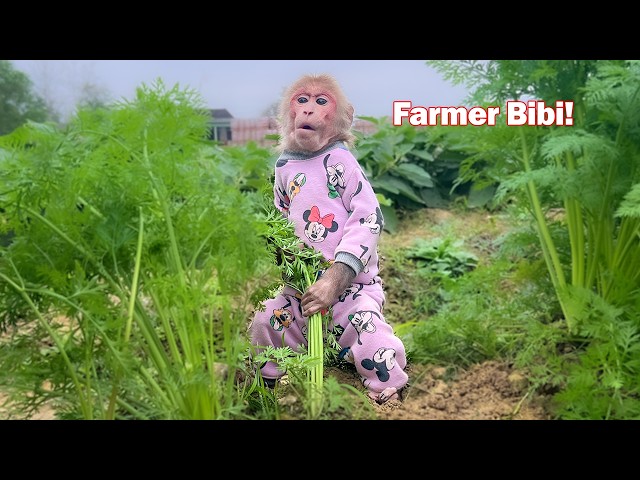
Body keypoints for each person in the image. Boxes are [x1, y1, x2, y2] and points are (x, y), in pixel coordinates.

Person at [249, 73, 408, 404]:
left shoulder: (341, 162)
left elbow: (368, 218)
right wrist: (283, 257)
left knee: (372, 341)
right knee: (267, 320)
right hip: (300, 292)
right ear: (286, 114)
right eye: (301, 100)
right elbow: (278, 218)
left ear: (341, 119)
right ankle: (265, 390)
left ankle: (388, 393)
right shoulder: (283, 168)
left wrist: (337, 276)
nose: (309, 110)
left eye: (321, 101)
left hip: (349, 290)